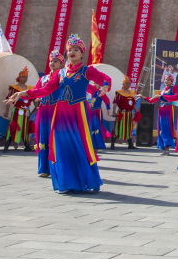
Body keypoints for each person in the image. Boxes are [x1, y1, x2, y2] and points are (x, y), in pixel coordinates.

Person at [6, 33, 111, 194]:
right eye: (70, 49)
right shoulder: (60, 74)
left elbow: (104, 77)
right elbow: (45, 90)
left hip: (78, 111)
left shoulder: (85, 71)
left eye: (76, 49)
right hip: (61, 112)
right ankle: (66, 182)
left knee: (80, 144)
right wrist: (22, 94)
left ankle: (85, 180)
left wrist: (105, 86)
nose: (72, 52)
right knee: (61, 145)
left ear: (82, 53)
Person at [33, 50, 64, 178]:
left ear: (61, 64)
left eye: (55, 61)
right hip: (44, 112)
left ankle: (57, 168)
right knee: (44, 138)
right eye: (51, 60)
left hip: (56, 111)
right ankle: (44, 168)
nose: (52, 63)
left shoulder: (63, 77)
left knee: (55, 139)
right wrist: (35, 99)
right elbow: (35, 92)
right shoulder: (43, 79)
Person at [4, 67, 34, 152]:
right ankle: (7, 145)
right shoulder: (14, 88)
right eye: (23, 77)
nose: (25, 78)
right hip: (17, 111)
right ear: (19, 78)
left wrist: (37, 107)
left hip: (26, 112)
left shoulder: (30, 88)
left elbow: (34, 99)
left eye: (26, 77)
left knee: (26, 127)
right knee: (13, 126)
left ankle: (27, 145)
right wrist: (6, 112)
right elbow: (8, 100)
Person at [151, 74, 178, 155]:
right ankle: (164, 148)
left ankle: (167, 148)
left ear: (172, 81)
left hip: (168, 110)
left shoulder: (173, 88)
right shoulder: (162, 90)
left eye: (169, 80)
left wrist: (168, 100)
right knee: (161, 129)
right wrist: (144, 98)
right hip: (161, 111)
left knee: (167, 128)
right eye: (166, 79)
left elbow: (176, 97)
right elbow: (153, 100)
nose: (166, 81)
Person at [111, 77, 139, 150]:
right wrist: (113, 112)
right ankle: (112, 144)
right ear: (123, 84)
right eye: (126, 83)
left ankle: (130, 144)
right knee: (117, 127)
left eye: (129, 83)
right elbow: (115, 103)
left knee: (129, 128)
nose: (128, 84)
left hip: (129, 114)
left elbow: (134, 103)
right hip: (121, 113)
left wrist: (137, 112)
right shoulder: (119, 93)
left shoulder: (131, 93)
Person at [86, 82, 110, 150]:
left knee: (95, 128)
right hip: (88, 112)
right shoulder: (87, 91)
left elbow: (107, 100)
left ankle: (96, 145)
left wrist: (108, 108)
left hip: (96, 113)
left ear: (99, 85)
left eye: (95, 82)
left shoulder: (100, 93)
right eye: (93, 83)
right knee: (87, 127)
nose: (94, 84)